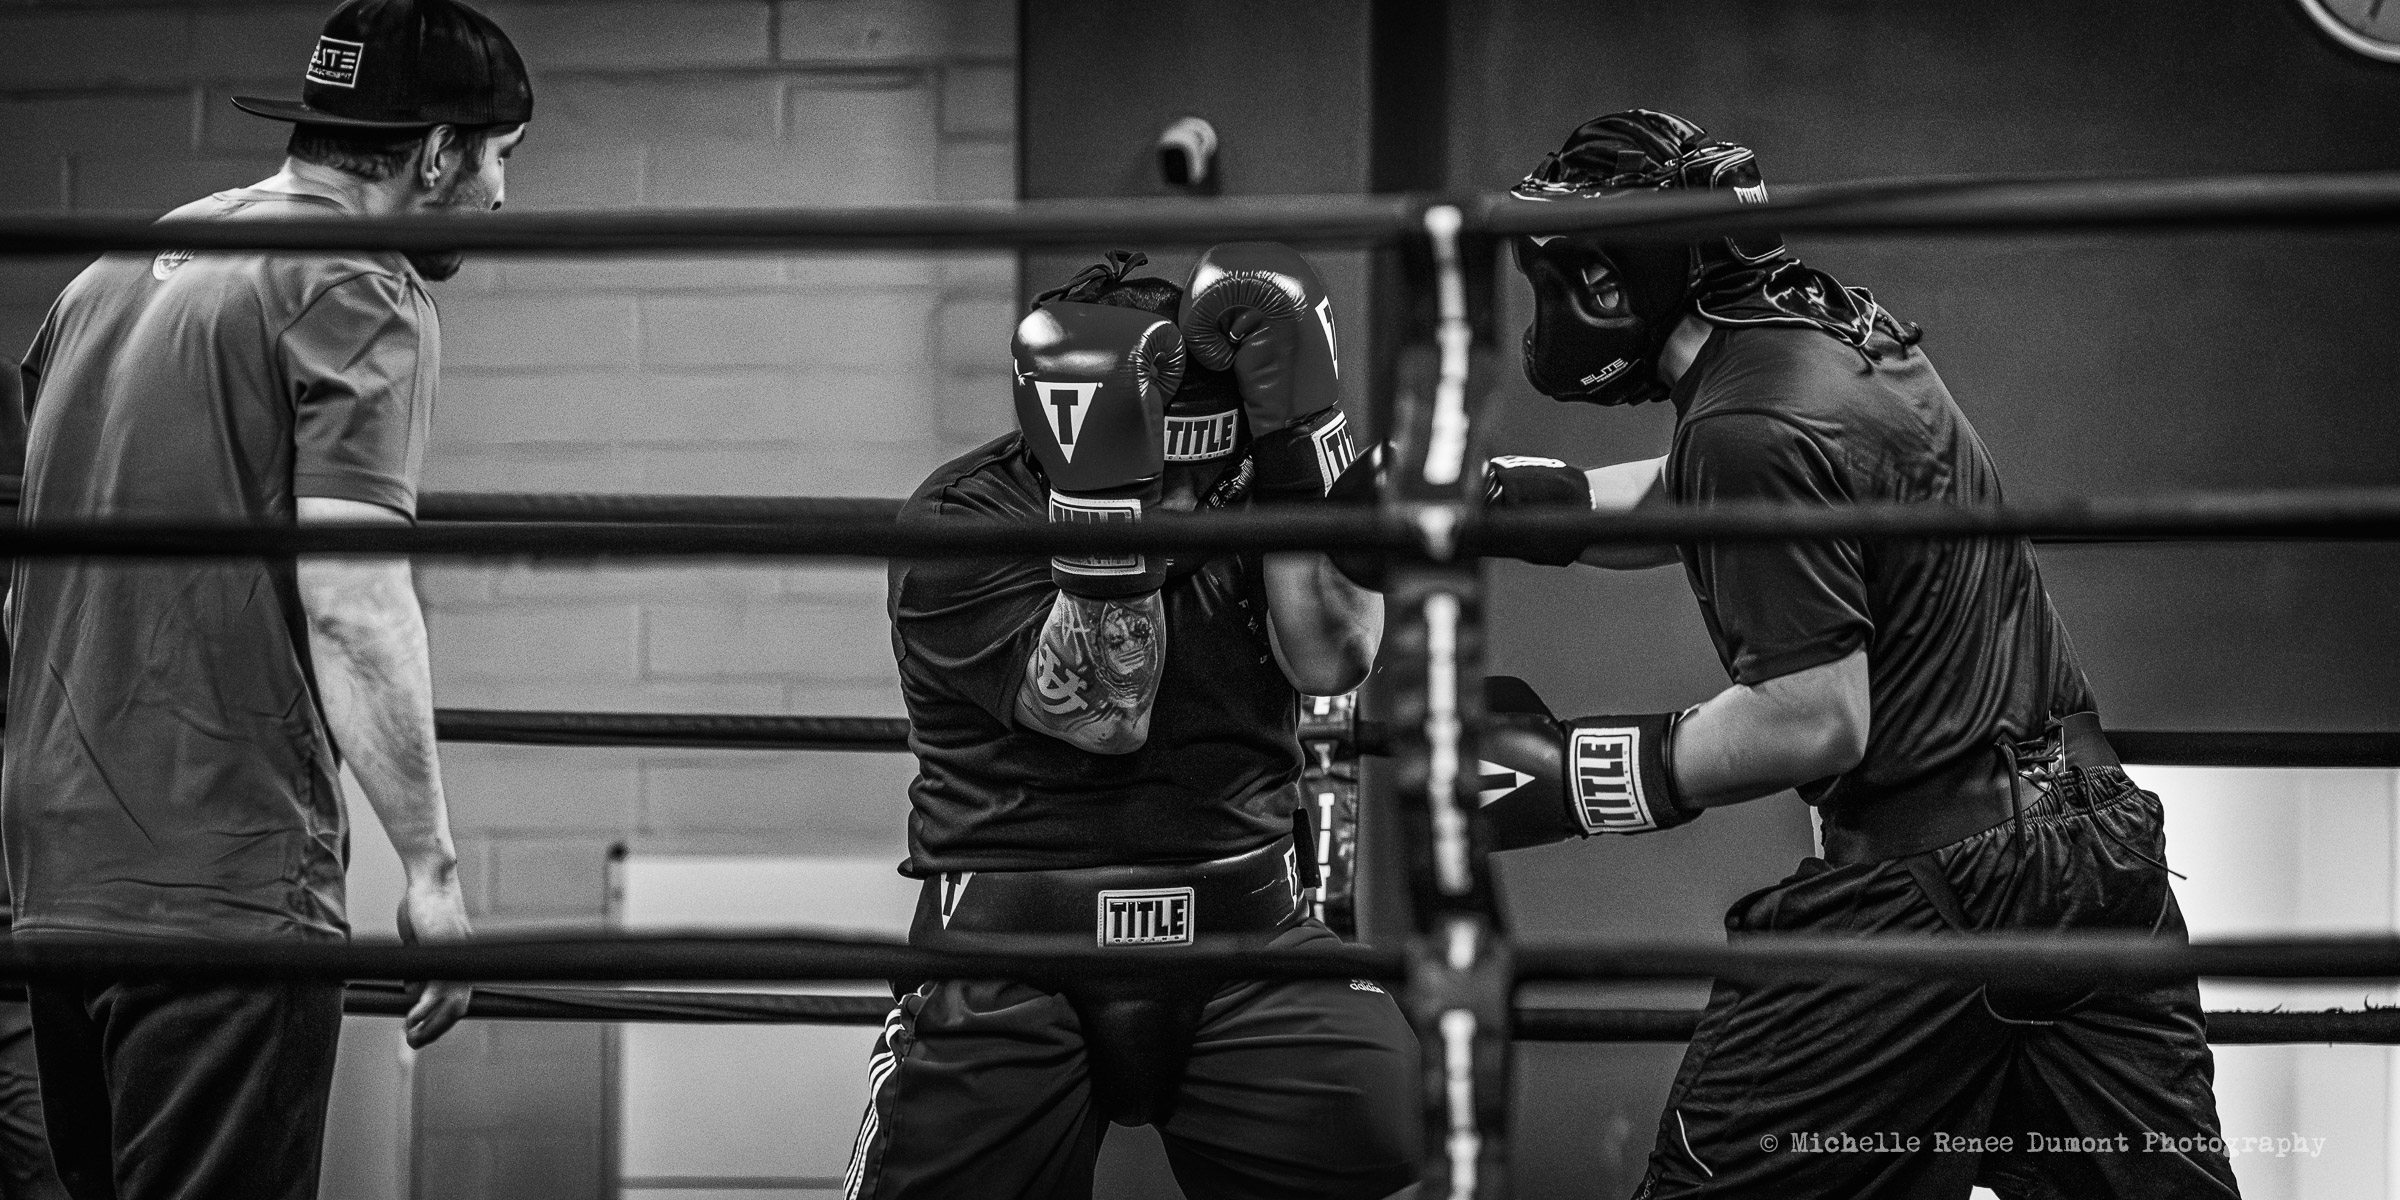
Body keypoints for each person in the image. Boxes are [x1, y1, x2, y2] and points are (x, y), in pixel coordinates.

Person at [1468, 111, 2240, 1198]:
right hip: (2093, 856)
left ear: (1607, 279)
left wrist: (1574, 778)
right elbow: (1730, 489)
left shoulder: (1744, 423)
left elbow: (1815, 718)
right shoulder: (1826, 333)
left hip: (1931, 892)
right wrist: (1520, 508)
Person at [2, 1, 529, 1195]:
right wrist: (433, 872)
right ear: (437, 153)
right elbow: (353, 597)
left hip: (55, 885)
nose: (501, 194)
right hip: (220, 887)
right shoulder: (356, 285)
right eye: (499, 156)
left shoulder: (115, 270)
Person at [852, 247, 1415, 1200]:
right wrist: (1109, 495)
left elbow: (1336, 658)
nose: (1188, 503)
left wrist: (1298, 443)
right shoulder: (963, 519)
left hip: (1247, 933)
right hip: (1014, 950)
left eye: (1206, 469)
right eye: (1162, 476)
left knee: (1387, 1122)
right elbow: (1112, 717)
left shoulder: (1248, 482)